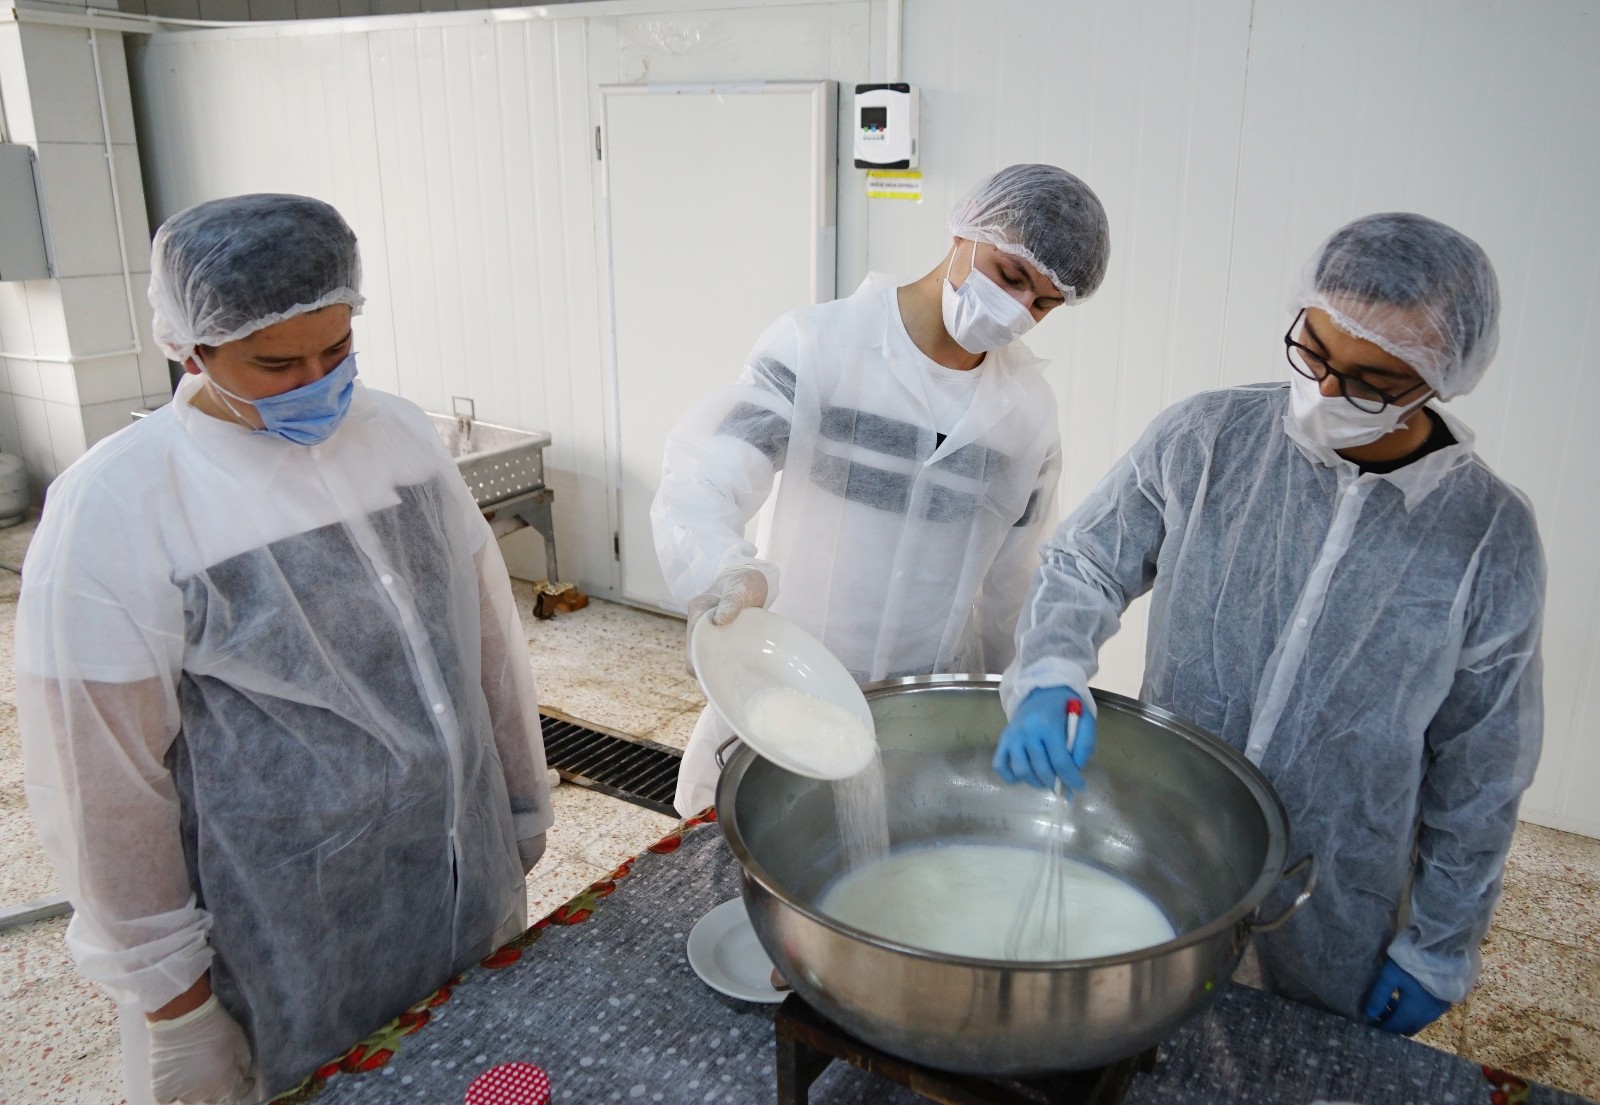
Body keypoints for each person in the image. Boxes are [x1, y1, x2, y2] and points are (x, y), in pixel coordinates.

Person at [17, 194, 554, 1104]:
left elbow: (484, 644)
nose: (317, 381)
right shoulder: (121, 507)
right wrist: (174, 1004)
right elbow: (103, 781)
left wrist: (519, 804)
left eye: (337, 349)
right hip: (285, 937)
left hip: (460, 879)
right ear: (191, 348)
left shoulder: (399, 439)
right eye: (275, 363)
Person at [995, 212, 1543, 1036]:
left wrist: (1439, 941)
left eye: (1372, 382)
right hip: (1170, 831)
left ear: (1438, 379)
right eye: (1314, 351)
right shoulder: (1209, 436)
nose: (1325, 392)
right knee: (1143, 1036)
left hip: (1334, 891)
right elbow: (1087, 563)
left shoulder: (1487, 536)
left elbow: (1483, 766)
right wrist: (1048, 672)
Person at [653, 164, 1111, 816]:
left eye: (1043, 304)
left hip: (913, 724)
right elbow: (704, 476)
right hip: (784, 694)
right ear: (966, 226)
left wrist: (1027, 689)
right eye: (1010, 278)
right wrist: (724, 569)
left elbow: (1016, 586)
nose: (1018, 312)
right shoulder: (820, 348)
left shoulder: (1026, 418)